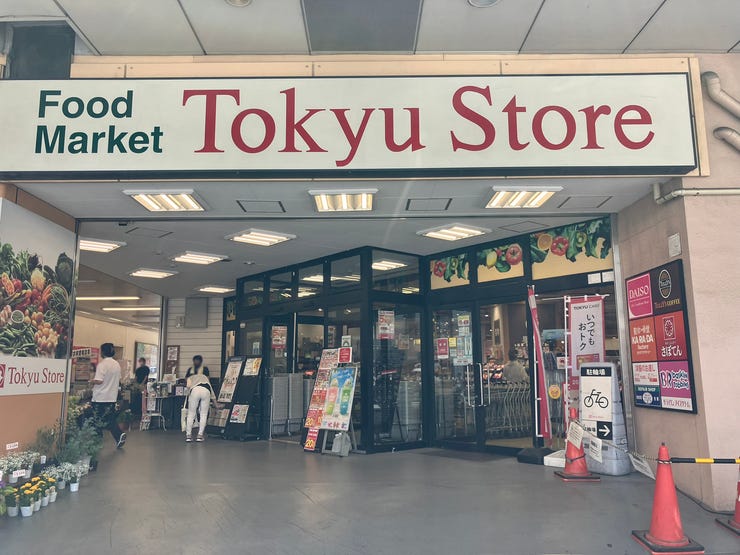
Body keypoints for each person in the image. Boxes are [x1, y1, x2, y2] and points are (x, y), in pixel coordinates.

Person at [90, 343, 126, 448]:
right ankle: (118, 435)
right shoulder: (116, 364)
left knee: (97, 419)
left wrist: (91, 381)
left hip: (100, 397)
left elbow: (99, 381)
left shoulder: (102, 365)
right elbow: (119, 379)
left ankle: (98, 440)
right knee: (109, 418)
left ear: (103, 352)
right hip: (111, 397)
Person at [184, 356, 217, 442]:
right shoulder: (205, 372)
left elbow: (188, 385)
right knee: (203, 414)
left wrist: (188, 393)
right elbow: (209, 385)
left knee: (191, 413)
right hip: (206, 390)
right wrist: (215, 403)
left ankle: (188, 435)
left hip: (195, 390)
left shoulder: (190, 373)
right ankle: (200, 435)